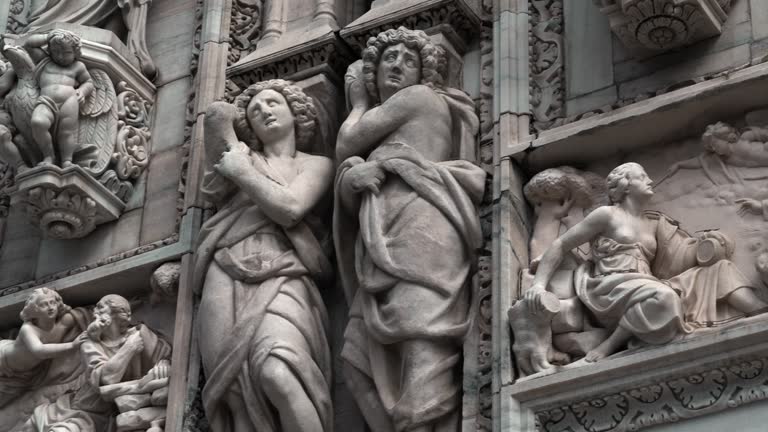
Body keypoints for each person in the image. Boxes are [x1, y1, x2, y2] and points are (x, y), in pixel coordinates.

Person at [334, 27, 486, 432]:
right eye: (389, 57)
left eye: (409, 59)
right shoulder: (394, 126)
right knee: (354, 360)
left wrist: (358, 103)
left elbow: (348, 142)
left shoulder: (417, 98)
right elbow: (355, 171)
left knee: (421, 343)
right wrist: (354, 177)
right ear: (374, 68)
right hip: (384, 232)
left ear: (424, 73)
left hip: (423, 225)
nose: (398, 64)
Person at [193, 79, 334, 432]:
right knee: (235, 393)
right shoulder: (239, 157)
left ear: (296, 111)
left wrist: (242, 171)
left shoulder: (315, 165)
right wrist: (227, 131)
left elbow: (290, 208)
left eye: (273, 103)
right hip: (224, 268)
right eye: (255, 110)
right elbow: (215, 122)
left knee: (279, 371)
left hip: (284, 270)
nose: (264, 111)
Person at [525, 162, 768, 362]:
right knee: (664, 297)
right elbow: (560, 245)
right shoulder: (607, 215)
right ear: (625, 185)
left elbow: (681, 256)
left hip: (645, 283)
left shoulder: (652, 223)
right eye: (642, 177)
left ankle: (758, 311)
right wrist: (538, 285)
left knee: (718, 269)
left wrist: (710, 243)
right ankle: (612, 343)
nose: (650, 181)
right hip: (609, 286)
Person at [22, 294, 171, 432]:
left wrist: (164, 363)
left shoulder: (141, 334)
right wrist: (129, 348)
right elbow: (106, 379)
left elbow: (166, 356)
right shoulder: (90, 343)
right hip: (81, 407)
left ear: (120, 313)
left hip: (102, 416)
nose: (95, 312)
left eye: (101, 307)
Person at [0, 287, 87, 407]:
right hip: (3, 362)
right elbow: (39, 351)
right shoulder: (28, 329)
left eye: (52, 303)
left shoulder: (63, 322)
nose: (51, 307)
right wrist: (72, 345)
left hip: (26, 374)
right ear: (34, 310)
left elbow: (85, 315)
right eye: (44, 305)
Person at [23, 30, 94, 167]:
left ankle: (67, 160)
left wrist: (82, 91)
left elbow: (89, 82)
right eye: (56, 52)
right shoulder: (45, 61)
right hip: (46, 100)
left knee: (66, 132)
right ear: (50, 50)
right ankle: (49, 156)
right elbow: (29, 45)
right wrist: (47, 37)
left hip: (69, 101)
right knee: (38, 122)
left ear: (76, 53)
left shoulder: (78, 66)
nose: (61, 56)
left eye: (66, 53)